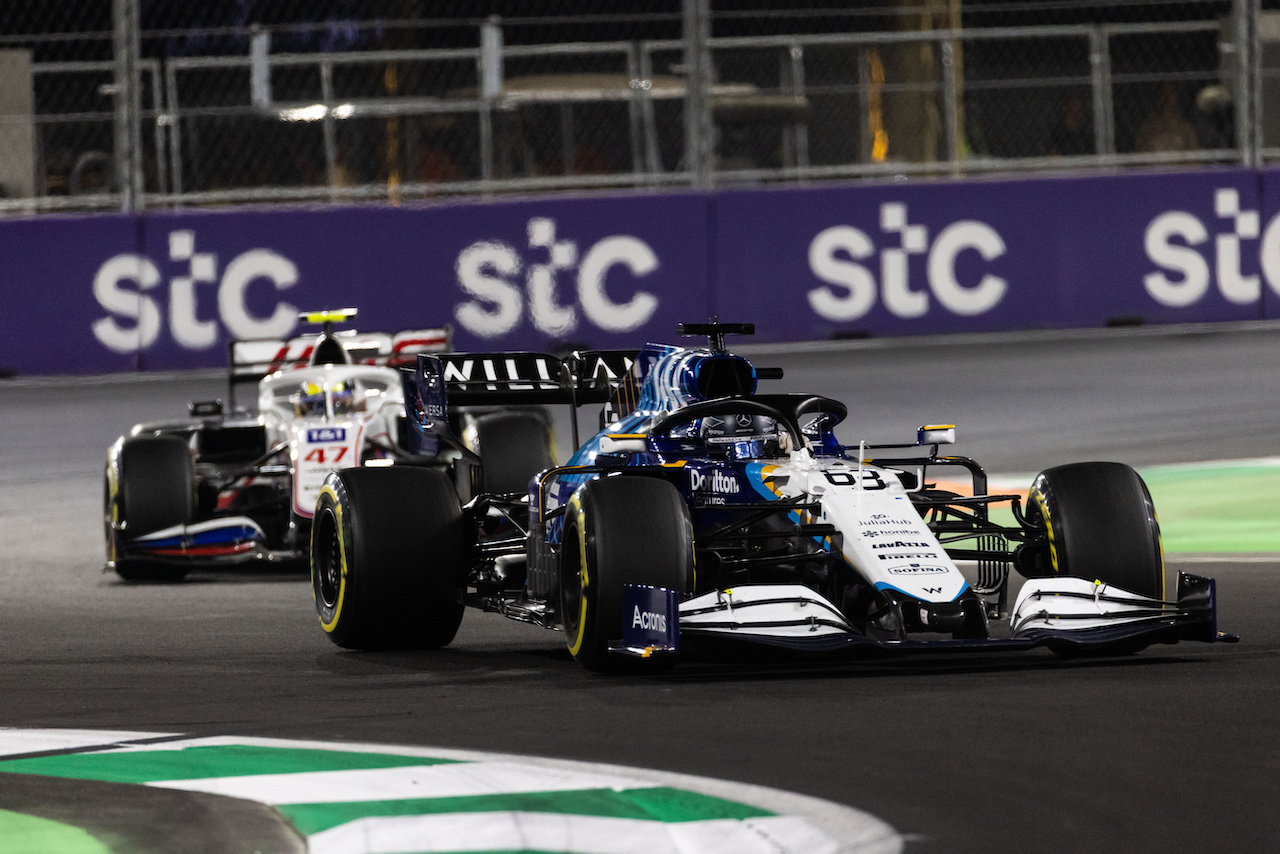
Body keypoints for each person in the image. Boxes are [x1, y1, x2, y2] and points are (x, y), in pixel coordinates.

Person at [1135, 82, 1198, 153]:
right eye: (1163, 93)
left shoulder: (1186, 129)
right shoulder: (1147, 127)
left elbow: (1194, 160)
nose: (1167, 98)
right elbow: (1139, 156)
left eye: (1171, 94)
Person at [1046, 90, 1094, 156]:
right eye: (1073, 106)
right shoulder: (1056, 136)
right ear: (1065, 107)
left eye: (1080, 109)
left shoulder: (1088, 134)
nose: (1076, 114)